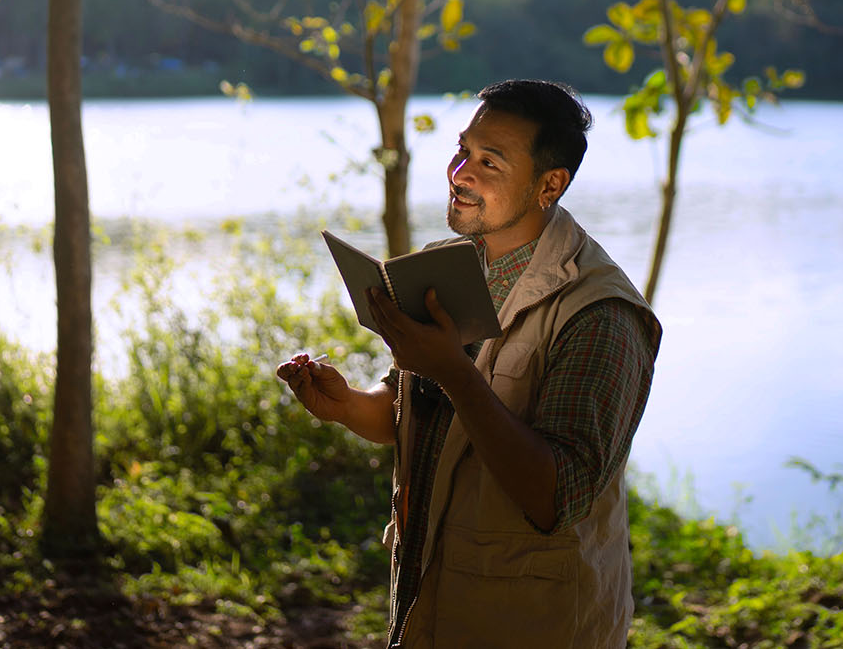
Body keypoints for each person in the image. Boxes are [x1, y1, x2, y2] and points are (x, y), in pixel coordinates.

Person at [276, 79, 661, 649]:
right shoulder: (445, 267)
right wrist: (348, 406)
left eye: (489, 162)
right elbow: (418, 415)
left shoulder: (600, 313)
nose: (460, 173)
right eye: (462, 151)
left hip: (541, 624)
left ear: (549, 185)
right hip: (428, 603)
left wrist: (454, 372)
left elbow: (555, 498)